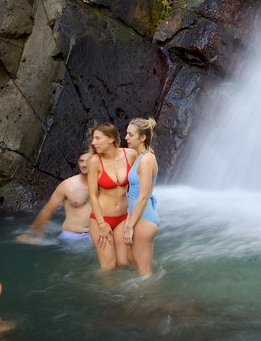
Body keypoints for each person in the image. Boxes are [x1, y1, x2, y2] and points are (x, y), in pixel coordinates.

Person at [86, 122, 138, 270]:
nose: (93, 142)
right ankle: (102, 292)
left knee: (124, 263)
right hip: (101, 219)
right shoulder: (95, 161)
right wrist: (102, 224)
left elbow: (142, 179)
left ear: (110, 139)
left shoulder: (130, 155)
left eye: (97, 138)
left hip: (123, 217)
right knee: (108, 266)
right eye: (93, 138)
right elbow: (92, 195)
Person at [18, 151, 92, 242]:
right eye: (81, 161)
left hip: (95, 236)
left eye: (88, 161)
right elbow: (48, 209)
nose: (84, 165)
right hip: (72, 237)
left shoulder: (105, 184)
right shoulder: (67, 185)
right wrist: (32, 233)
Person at [122, 117, 161, 276]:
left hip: (145, 218)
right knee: (131, 260)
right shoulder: (141, 156)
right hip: (138, 216)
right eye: (126, 134)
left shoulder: (147, 159)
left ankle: (150, 299)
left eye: (130, 135)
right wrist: (129, 219)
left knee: (143, 270)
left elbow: (143, 196)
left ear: (142, 137)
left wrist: (130, 226)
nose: (126, 138)